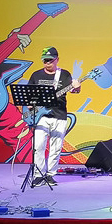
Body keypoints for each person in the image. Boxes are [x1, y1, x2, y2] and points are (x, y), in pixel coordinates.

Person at [26, 46, 79, 187]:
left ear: (57, 60)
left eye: (50, 60)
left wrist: (77, 86)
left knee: (55, 148)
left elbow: (74, 91)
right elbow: (28, 95)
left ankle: (50, 175)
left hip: (59, 115)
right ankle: (38, 175)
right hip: (41, 117)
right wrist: (30, 105)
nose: (47, 63)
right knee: (38, 146)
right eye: (45, 60)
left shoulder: (64, 74)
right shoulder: (36, 75)